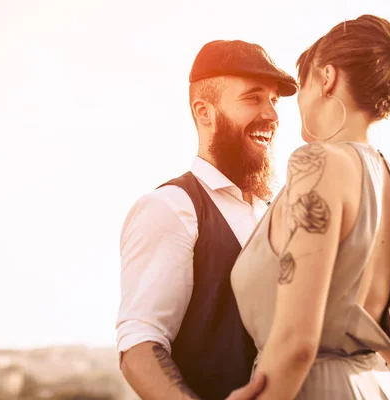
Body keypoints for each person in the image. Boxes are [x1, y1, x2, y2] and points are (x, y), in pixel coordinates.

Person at [231, 14, 390, 399]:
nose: (298, 103)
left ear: (326, 78)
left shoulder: (316, 164)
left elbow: (295, 344)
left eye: (301, 87)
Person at [116, 39, 298, 400]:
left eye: (274, 101)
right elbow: (139, 346)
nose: (272, 115)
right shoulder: (171, 207)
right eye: (253, 98)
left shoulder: (274, 211)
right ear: (204, 112)